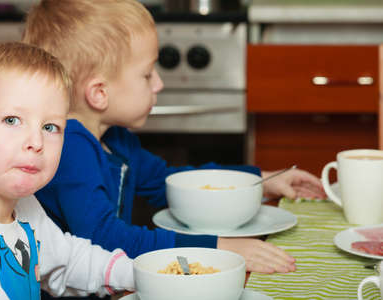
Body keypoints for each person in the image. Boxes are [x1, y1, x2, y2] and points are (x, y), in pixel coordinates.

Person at [23, 0, 326, 282]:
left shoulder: (115, 139)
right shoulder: (70, 148)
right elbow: (107, 238)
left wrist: (260, 181)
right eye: (146, 74)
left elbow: (169, 183)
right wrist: (215, 247)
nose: (159, 83)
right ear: (99, 93)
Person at [0, 42, 134, 300]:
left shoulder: (24, 208)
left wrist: (136, 273)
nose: (36, 143)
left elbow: (69, 262)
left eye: (50, 127)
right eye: (12, 120)